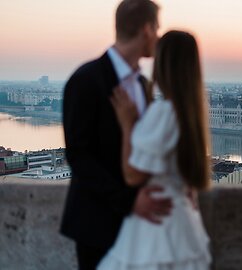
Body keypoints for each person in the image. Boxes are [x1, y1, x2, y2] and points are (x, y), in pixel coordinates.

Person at [61, 1, 172, 269]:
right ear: (146, 30)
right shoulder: (86, 80)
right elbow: (79, 157)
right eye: (156, 28)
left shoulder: (143, 85)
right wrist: (131, 202)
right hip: (98, 226)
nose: (158, 36)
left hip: (139, 228)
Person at [97, 30, 212, 270]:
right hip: (185, 224)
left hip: (156, 226)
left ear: (163, 66)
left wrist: (128, 125)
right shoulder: (192, 116)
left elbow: (132, 175)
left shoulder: (162, 113)